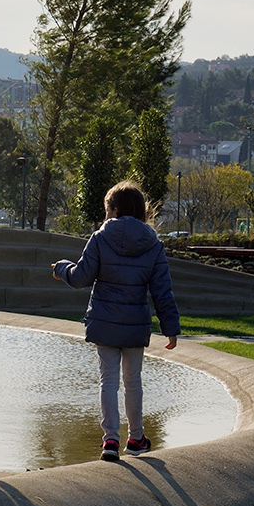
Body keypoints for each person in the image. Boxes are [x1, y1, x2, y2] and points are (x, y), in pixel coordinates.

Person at [51, 181, 181, 462]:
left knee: (108, 380)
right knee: (133, 381)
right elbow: (162, 291)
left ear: (114, 210)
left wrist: (62, 268)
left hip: (105, 322)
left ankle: (110, 439)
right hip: (135, 324)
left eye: (107, 209)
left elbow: (82, 277)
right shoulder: (153, 245)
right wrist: (170, 328)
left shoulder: (100, 238)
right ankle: (136, 438)